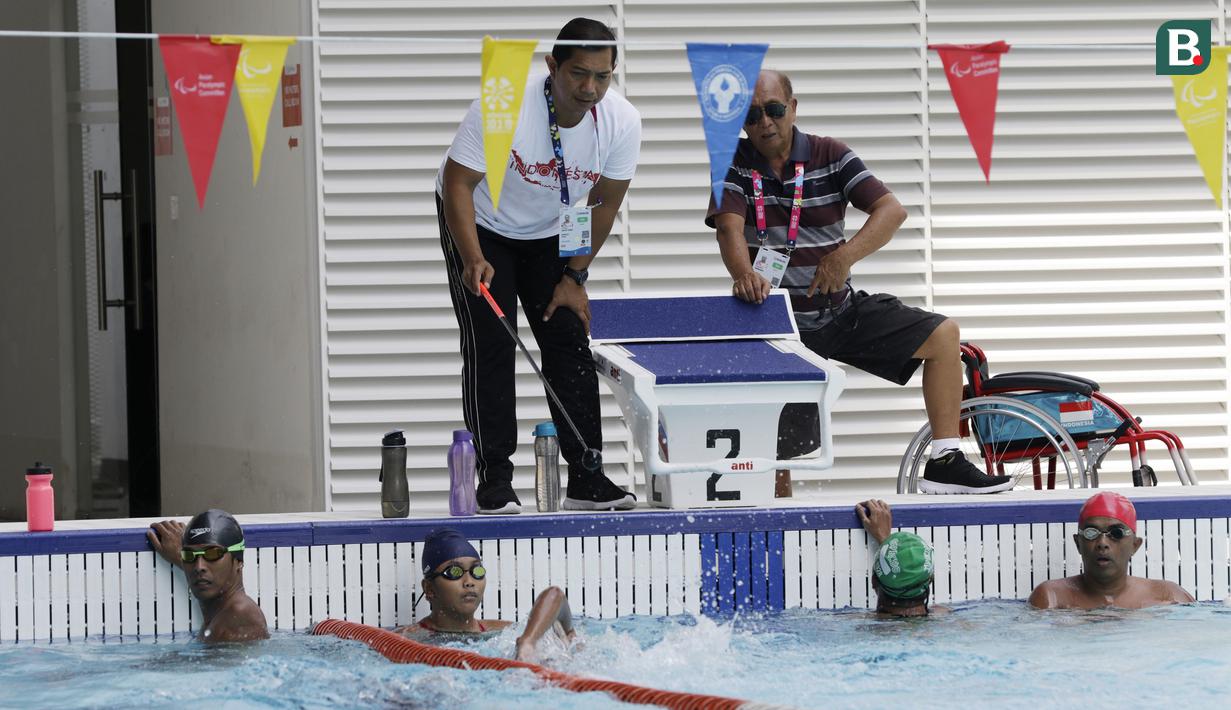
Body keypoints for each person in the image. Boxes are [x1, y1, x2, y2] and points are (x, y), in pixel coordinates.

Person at [706, 69, 1012, 496]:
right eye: (752, 115)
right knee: (775, 452)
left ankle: (946, 459)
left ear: (793, 108)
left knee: (943, 337)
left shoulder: (830, 153)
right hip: (776, 330)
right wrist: (744, 274)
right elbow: (729, 228)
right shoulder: (734, 163)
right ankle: (775, 522)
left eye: (774, 110)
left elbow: (891, 210)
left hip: (838, 309)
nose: (765, 123)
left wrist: (844, 255)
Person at [437, 17, 643, 514]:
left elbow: (606, 203)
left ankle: (586, 478)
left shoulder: (622, 122)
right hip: (481, 224)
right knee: (492, 338)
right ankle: (495, 479)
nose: (589, 88)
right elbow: (457, 184)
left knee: (567, 335)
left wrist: (575, 276)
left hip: (552, 231)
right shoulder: (503, 105)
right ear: (552, 66)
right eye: (578, 74)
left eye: (602, 76)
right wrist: (473, 258)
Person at [395, 528, 575, 662]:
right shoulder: (407, 639)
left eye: (476, 571)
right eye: (454, 572)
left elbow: (556, 595)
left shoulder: (503, 631)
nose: (469, 581)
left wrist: (531, 641)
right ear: (429, 589)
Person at [1029, 492, 1193, 610]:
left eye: (1116, 534)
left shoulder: (1168, 596)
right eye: (1091, 533)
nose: (1102, 543)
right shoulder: (1052, 597)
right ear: (1078, 543)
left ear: (1134, 546)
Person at [146, 509, 269, 642]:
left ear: (238, 561)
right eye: (189, 555)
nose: (199, 567)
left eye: (213, 554)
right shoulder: (222, 613)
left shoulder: (240, 616)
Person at [856, 499, 948, 617]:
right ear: (931, 579)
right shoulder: (948, 618)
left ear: (874, 581)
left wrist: (887, 546)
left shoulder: (858, 623)